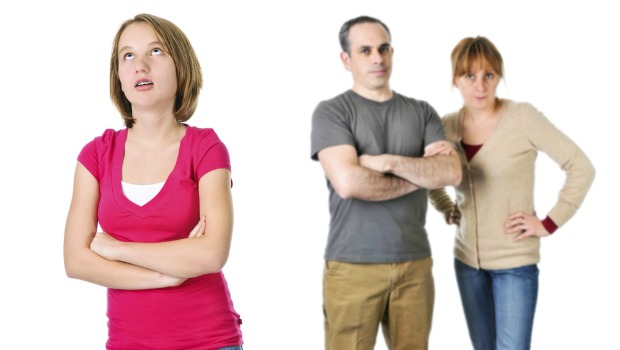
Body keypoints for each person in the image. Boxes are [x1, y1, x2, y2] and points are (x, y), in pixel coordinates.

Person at [63, 13, 243, 350]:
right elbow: (76, 261)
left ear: (181, 65)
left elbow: (212, 253)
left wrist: (117, 249)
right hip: (128, 342)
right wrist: (166, 276)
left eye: (156, 51)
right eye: (127, 55)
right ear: (118, 75)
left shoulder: (205, 147)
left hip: (209, 340)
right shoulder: (96, 154)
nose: (140, 65)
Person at [429, 36, 595, 350]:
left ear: (499, 77)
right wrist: (446, 206)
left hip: (514, 265)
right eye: (470, 76)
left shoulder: (522, 117)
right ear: (456, 80)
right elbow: (429, 176)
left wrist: (549, 222)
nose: (480, 86)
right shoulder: (446, 126)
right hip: (467, 263)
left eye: (489, 75)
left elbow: (581, 166)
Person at [310, 15, 462, 350]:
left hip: (415, 264)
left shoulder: (422, 112)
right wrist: (421, 172)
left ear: (392, 52)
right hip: (352, 265)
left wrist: (389, 163)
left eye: (383, 48)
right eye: (365, 51)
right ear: (346, 59)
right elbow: (348, 183)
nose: (377, 58)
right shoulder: (332, 112)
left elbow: (451, 172)